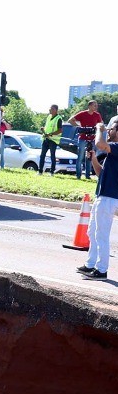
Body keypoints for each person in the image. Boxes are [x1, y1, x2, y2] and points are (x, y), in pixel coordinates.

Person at [78, 115, 118, 280]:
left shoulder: (116, 146)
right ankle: (90, 264)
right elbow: (101, 173)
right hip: (102, 195)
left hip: (109, 198)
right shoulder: (113, 150)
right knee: (92, 231)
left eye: (112, 128)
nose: (109, 130)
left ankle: (101, 270)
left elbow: (100, 143)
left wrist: (99, 129)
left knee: (101, 234)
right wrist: (94, 158)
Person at [70, 101, 103, 180]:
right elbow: (70, 120)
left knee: (89, 157)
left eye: (96, 105)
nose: (96, 107)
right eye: (94, 105)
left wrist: (98, 128)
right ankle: (78, 175)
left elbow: (101, 123)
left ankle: (87, 176)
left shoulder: (97, 115)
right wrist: (80, 127)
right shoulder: (82, 113)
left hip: (92, 138)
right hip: (82, 138)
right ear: (90, 106)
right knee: (80, 156)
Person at [41, 104, 65, 176]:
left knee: (52, 156)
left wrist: (50, 134)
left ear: (55, 110)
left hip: (53, 140)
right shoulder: (48, 117)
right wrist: (43, 130)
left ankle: (52, 172)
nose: (49, 110)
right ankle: (40, 171)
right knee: (42, 155)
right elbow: (47, 127)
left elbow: (60, 130)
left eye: (51, 109)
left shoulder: (59, 118)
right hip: (46, 138)